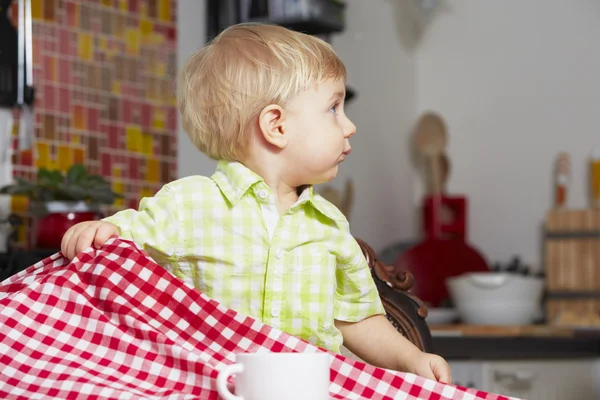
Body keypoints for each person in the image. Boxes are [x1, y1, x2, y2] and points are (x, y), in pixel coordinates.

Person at [61, 23, 451, 383]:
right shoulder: (188, 205)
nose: (349, 126)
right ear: (276, 126)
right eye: (333, 108)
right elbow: (123, 242)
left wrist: (409, 359)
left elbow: (357, 319)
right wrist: (100, 229)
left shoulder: (330, 225)